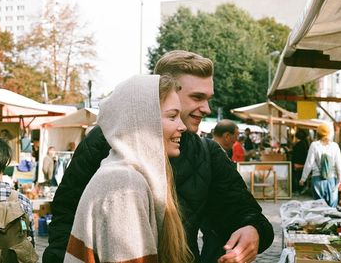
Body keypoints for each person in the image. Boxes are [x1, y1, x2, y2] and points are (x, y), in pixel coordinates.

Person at [43, 50, 274, 263]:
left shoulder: (207, 153)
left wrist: (253, 230)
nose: (207, 108)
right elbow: (66, 216)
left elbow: (244, 213)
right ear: (160, 93)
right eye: (197, 97)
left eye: (208, 98)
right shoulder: (104, 144)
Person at [64, 75, 189, 263]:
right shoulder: (124, 185)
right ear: (143, 122)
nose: (182, 126)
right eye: (172, 116)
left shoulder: (123, 175)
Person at [299, 123, 341, 207]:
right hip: (331, 181)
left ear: (318, 133)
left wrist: (303, 179)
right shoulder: (335, 146)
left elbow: (309, 163)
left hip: (317, 180)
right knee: (332, 208)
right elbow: (339, 165)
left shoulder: (314, 145)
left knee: (319, 208)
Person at [291, 129, 309, 195]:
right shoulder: (305, 143)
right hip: (302, 163)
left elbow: (296, 154)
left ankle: (297, 190)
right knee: (299, 175)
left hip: (298, 163)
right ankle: (301, 188)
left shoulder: (299, 144)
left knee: (296, 176)